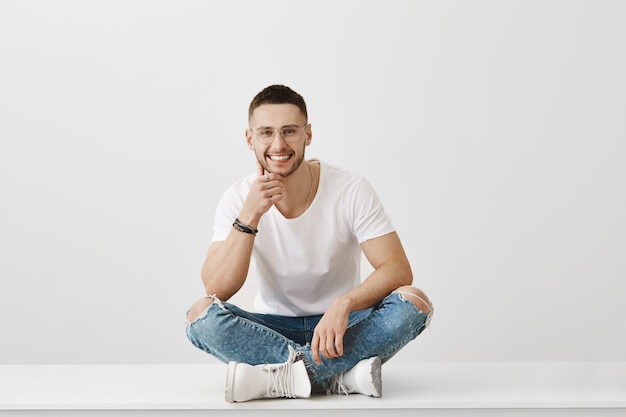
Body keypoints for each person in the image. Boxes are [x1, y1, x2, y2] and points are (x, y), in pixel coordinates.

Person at [185, 84, 433, 402]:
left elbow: (397, 269)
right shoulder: (238, 198)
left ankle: (276, 379)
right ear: (250, 139)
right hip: (270, 327)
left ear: (308, 134)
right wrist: (249, 216)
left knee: (414, 303)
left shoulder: (350, 188)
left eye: (289, 131)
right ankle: (337, 376)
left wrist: (342, 304)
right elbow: (216, 288)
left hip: (342, 327)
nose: (278, 144)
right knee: (200, 316)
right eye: (266, 133)